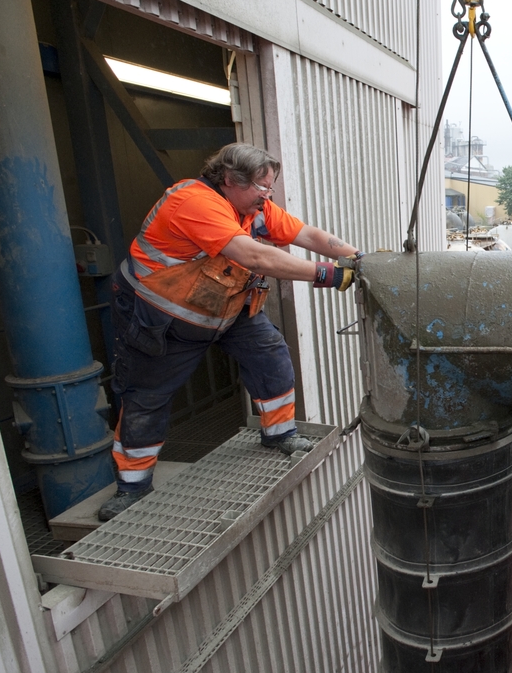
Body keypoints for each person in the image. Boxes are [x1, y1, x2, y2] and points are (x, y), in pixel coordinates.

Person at [100, 143, 363, 522]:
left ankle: (280, 433)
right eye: (261, 186)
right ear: (229, 179)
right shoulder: (195, 203)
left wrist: (358, 258)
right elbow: (255, 257)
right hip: (162, 318)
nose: (267, 195)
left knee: (270, 356)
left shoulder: (253, 209)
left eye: (270, 187)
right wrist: (329, 274)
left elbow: (306, 234)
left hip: (224, 309)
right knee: (147, 395)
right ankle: (132, 487)